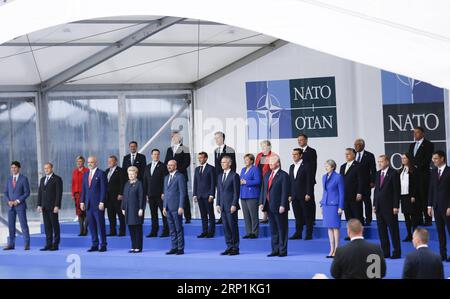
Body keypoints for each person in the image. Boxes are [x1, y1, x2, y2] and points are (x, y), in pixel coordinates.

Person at [259, 155, 290, 257]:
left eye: (272, 162)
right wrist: (261, 202)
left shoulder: (283, 175)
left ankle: (282, 251)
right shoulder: (267, 174)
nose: (270, 163)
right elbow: (263, 190)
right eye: (269, 162)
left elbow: (285, 192)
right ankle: (275, 250)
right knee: (273, 230)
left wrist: (283, 205)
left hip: (279, 206)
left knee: (282, 229)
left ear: (278, 163)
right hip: (269, 206)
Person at [373, 154, 401, 259]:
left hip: (390, 208)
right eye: (378, 162)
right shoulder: (377, 173)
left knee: (393, 231)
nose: (380, 163)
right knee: (382, 231)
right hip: (379, 207)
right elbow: (376, 191)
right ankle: (385, 252)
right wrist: (374, 204)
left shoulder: (394, 173)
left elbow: (396, 191)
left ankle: (396, 252)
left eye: (381, 161)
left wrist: (396, 206)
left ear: (387, 162)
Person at [80, 156, 108, 252]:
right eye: (88, 162)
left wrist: (102, 201)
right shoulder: (86, 174)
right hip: (88, 205)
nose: (89, 164)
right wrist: (82, 201)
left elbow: (104, 189)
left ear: (96, 162)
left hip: (98, 204)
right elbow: (83, 189)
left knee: (100, 225)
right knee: (91, 226)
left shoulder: (101, 173)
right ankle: (94, 244)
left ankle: (103, 244)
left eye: (91, 162)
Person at [408, 127, 434, 226]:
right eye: (414, 133)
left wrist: (417, 166)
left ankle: (428, 220)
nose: (415, 134)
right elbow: (410, 158)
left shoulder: (428, 144)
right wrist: (411, 167)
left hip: (423, 175)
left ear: (423, 133)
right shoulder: (412, 145)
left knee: (424, 197)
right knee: (415, 198)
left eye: (417, 132)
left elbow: (427, 159)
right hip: (413, 175)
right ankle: (418, 219)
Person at [427, 150, 450, 262]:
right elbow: (431, 189)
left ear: (442, 158)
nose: (434, 161)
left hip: (447, 208)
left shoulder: (449, 171)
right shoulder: (434, 171)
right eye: (433, 158)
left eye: (436, 158)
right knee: (440, 232)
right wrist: (429, 205)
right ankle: (442, 254)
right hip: (436, 207)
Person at [164, 131, 191, 223]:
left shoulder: (185, 148)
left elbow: (187, 162)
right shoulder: (169, 149)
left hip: (181, 175)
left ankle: (187, 217)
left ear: (179, 137)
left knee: (184, 195)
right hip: (171, 176)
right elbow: (166, 162)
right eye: (172, 137)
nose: (173, 138)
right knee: (172, 195)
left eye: (175, 136)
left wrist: (176, 171)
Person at [3, 161, 31, 251]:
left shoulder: (23, 179)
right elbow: (5, 192)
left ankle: (27, 244)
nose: (13, 169)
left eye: (15, 167)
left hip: (20, 206)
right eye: (12, 168)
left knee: (23, 225)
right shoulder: (8, 179)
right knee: (11, 226)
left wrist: (18, 201)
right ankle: (11, 244)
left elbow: (27, 192)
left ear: (18, 168)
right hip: (10, 206)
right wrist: (8, 201)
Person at [217, 155, 241, 255]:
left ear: (230, 163)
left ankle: (235, 247)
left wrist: (234, 204)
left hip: (231, 206)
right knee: (225, 227)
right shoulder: (219, 176)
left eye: (225, 162)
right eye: (221, 162)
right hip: (222, 205)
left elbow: (236, 192)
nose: (222, 164)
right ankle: (229, 246)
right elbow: (219, 191)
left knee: (233, 226)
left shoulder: (234, 175)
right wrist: (217, 203)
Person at [288, 148, 314, 240]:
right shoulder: (291, 166)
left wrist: (308, 193)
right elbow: (290, 182)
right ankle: (298, 233)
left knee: (307, 215)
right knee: (297, 215)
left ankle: (308, 233)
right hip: (294, 195)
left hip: (304, 195)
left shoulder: (307, 165)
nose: (294, 156)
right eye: (293, 154)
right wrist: (290, 194)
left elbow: (309, 181)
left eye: (296, 154)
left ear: (301, 155)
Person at [321, 159, 345, 258]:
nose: (326, 167)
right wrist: (322, 205)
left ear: (332, 167)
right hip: (326, 205)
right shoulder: (324, 177)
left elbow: (342, 193)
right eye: (325, 165)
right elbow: (325, 192)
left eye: (327, 165)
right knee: (329, 228)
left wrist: (341, 207)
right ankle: (331, 249)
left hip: (334, 205)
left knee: (335, 227)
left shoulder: (338, 177)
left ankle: (337, 250)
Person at [143, 149, 169, 238]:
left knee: (164, 213)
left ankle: (166, 230)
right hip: (150, 194)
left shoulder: (163, 166)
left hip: (160, 194)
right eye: (154, 154)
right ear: (151, 155)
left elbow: (165, 180)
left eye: (158, 154)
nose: (156, 156)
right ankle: (154, 231)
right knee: (153, 214)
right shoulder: (147, 167)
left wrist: (163, 192)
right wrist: (145, 194)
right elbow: (145, 181)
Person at [37, 162, 63, 251]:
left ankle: (55, 244)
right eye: (45, 168)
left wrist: (57, 205)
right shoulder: (42, 179)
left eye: (48, 168)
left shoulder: (57, 179)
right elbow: (40, 193)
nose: (46, 170)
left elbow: (59, 193)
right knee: (47, 226)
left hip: (53, 207)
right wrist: (39, 205)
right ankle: (48, 244)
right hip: (44, 207)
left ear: (51, 168)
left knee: (55, 225)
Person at [163, 160, 186, 255]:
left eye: (171, 165)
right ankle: (174, 247)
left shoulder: (180, 176)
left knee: (178, 228)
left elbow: (182, 193)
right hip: (168, 208)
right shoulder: (166, 177)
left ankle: (180, 248)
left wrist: (181, 206)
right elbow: (166, 193)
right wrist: (164, 207)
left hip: (176, 207)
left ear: (175, 166)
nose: (169, 167)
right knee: (171, 229)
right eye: (168, 165)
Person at [213, 131, 236, 225]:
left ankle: (228, 215)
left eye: (218, 137)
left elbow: (233, 165)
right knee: (220, 196)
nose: (216, 140)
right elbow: (216, 165)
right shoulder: (215, 150)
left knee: (228, 196)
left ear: (222, 138)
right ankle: (222, 217)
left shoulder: (230, 149)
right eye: (215, 138)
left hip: (229, 177)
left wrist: (232, 177)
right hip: (219, 178)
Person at [339, 148, 364, 234]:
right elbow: (340, 181)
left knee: (357, 215)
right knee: (348, 216)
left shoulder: (359, 165)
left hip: (355, 195)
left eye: (348, 154)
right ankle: (351, 234)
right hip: (345, 195)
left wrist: (359, 192)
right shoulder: (342, 166)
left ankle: (360, 234)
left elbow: (361, 180)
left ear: (354, 155)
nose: (346, 155)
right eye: (345, 154)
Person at [121, 166, 145, 253]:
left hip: (136, 210)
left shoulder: (139, 184)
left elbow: (141, 197)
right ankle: (133, 246)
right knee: (131, 229)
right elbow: (124, 197)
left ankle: (138, 247)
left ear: (136, 174)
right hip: (128, 210)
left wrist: (141, 208)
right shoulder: (127, 184)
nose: (130, 176)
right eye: (129, 174)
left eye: (132, 174)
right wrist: (123, 207)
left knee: (137, 229)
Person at [193, 152, 216, 238]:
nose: (200, 159)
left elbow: (213, 183)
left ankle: (211, 232)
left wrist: (212, 195)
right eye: (199, 158)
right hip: (199, 195)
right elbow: (195, 182)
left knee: (210, 214)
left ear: (206, 158)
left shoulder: (211, 168)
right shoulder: (197, 169)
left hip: (208, 195)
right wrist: (194, 194)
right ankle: (204, 231)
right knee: (203, 214)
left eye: (201, 158)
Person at [354, 138, 377, 226]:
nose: (356, 147)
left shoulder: (369, 155)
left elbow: (373, 169)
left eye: (358, 145)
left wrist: (373, 181)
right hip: (355, 184)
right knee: (357, 202)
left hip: (366, 182)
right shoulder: (354, 154)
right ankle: (360, 219)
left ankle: (369, 219)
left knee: (367, 201)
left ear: (363, 145)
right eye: (355, 145)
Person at [239, 153, 261, 239]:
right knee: (246, 215)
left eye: (247, 159)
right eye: (245, 159)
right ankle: (248, 232)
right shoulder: (243, 169)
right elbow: (241, 179)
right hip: (243, 194)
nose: (245, 161)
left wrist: (246, 182)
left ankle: (254, 233)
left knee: (253, 215)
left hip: (252, 195)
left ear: (252, 160)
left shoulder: (255, 169)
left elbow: (258, 181)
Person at [297, 134, 317, 223]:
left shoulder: (311, 151)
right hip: (300, 182)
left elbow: (313, 167)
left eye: (301, 140)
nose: (299, 141)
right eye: (298, 140)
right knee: (301, 200)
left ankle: (311, 219)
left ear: (306, 140)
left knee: (310, 200)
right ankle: (303, 219)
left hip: (308, 180)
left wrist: (310, 179)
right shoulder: (297, 152)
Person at [399, 153, 419, 242]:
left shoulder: (414, 170)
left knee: (413, 216)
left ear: (409, 159)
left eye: (404, 158)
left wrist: (413, 195)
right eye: (402, 158)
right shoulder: (400, 170)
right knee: (406, 216)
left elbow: (416, 184)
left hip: (411, 196)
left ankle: (415, 234)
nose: (403, 160)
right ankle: (409, 235)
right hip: (403, 196)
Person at [255, 140, 275, 224]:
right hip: (259, 179)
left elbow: (273, 168)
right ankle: (265, 216)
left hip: (268, 179)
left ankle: (268, 216)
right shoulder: (259, 155)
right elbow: (256, 166)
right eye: (262, 147)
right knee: (262, 197)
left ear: (269, 147)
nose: (263, 148)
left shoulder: (273, 156)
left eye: (264, 146)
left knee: (268, 197)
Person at [105, 155, 126, 236]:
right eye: (108, 161)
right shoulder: (106, 171)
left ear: (116, 162)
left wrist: (121, 193)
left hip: (118, 197)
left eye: (111, 161)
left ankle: (122, 231)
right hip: (108, 197)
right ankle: (112, 231)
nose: (109, 162)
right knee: (111, 215)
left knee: (120, 215)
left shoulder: (120, 171)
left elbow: (123, 183)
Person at [71, 156, 89, 236]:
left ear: (83, 162)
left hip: (85, 194)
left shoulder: (87, 171)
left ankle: (85, 229)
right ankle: (81, 230)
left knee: (86, 212)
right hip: (77, 195)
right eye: (77, 161)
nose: (78, 163)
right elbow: (73, 183)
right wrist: (73, 194)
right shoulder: (74, 171)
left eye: (80, 161)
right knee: (79, 213)